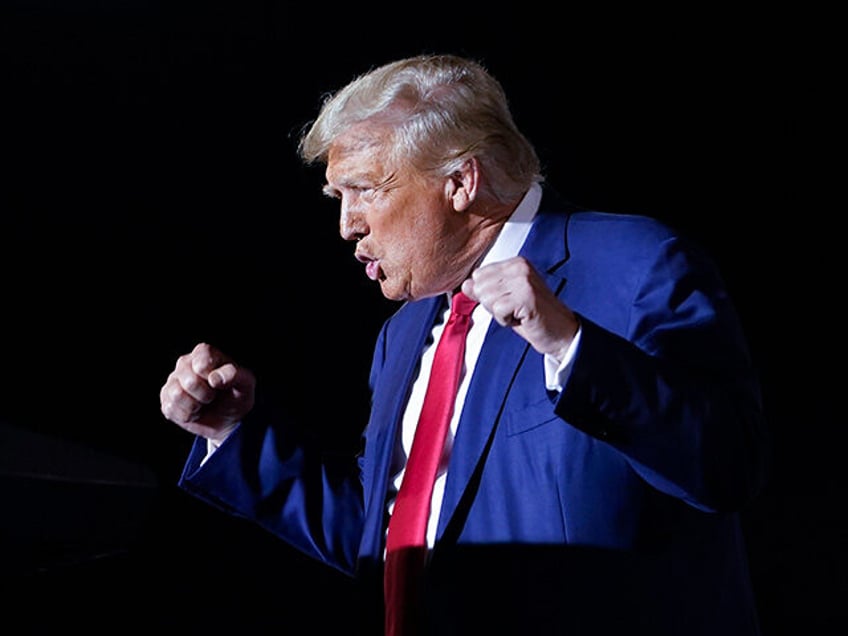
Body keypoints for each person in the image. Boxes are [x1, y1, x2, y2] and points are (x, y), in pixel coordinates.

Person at [159, 54, 770, 635]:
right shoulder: (404, 331)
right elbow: (393, 541)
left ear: (460, 181)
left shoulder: (633, 265)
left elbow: (727, 466)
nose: (347, 226)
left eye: (365, 189)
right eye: (337, 198)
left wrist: (569, 344)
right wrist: (232, 433)